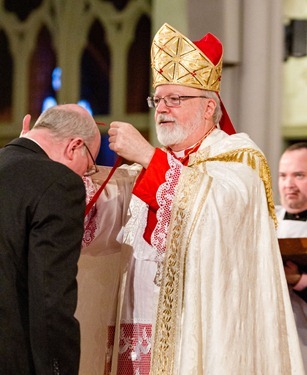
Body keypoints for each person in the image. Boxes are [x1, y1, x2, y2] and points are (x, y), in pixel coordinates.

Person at [106, 23, 304, 374]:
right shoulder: (160, 164)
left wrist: (150, 158)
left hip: (200, 336)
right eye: (158, 99)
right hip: (141, 328)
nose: (162, 109)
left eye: (175, 99)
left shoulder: (237, 159)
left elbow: (212, 214)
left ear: (209, 108)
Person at [0, 104, 101, 374]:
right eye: (89, 166)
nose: (84, 176)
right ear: (74, 146)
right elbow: (51, 299)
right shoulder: (60, 183)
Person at [276, 142, 307, 373]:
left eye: (299, 175)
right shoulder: (266, 220)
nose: (289, 184)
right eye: (283, 175)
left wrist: (299, 280)